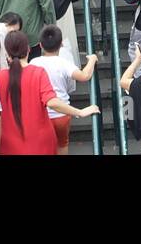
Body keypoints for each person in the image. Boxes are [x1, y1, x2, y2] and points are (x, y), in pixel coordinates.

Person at [0, 30, 99, 155]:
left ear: (7, 52)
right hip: (40, 143)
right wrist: (79, 112)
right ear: (28, 49)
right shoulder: (37, 72)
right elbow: (52, 102)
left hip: (9, 144)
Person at [33, 23, 99, 155]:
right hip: (62, 114)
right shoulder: (63, 63)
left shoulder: (34, 63)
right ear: (61, 44)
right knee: (62, 144)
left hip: (42, 114)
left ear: (40, 45)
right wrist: (92, 60)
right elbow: (84, 76)